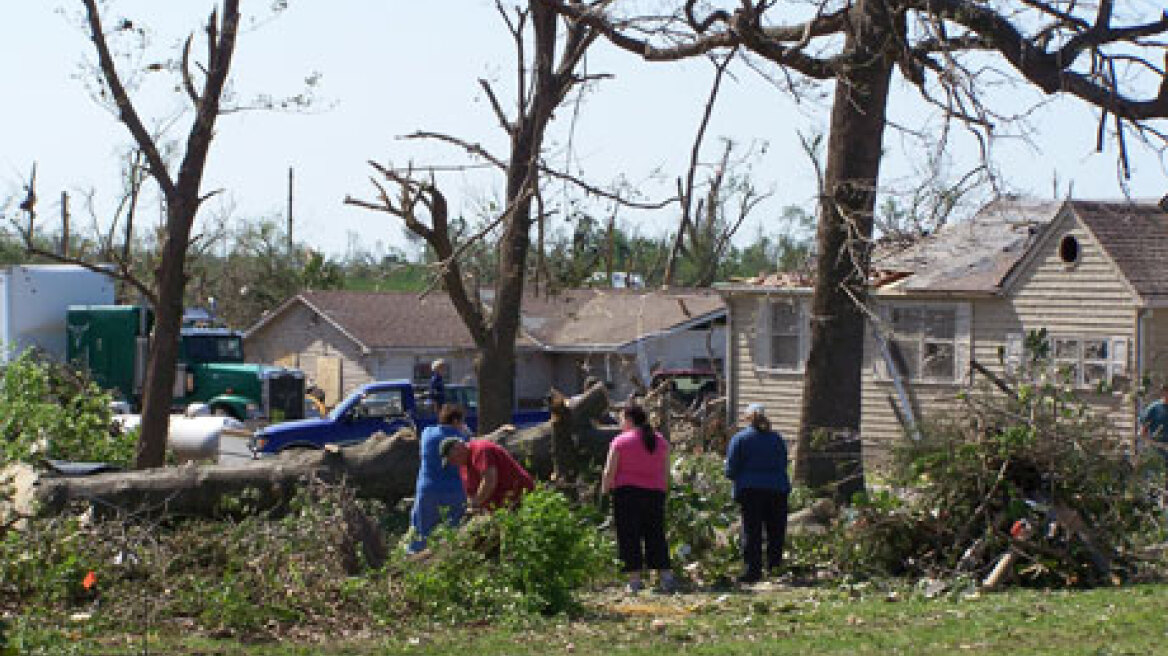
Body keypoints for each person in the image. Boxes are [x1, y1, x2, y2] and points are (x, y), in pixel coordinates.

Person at [601, 405, 676, 594]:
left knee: (629, 535)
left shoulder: (620, 441)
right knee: (656, 534)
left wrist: (604, 490)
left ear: (629, 420)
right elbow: (666, 472)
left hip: (627, 493)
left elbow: (609, 470)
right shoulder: (661, 442)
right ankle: (665, 576)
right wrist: (664, 490)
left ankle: (634, 580)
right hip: (655, 493)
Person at [724, 402, 791, 583]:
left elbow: (731, 468)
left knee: (752, 531)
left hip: (750, 490)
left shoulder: (740, 439)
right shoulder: (777, 439)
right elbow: (784, 462)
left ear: (747, 418)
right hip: (777, 488)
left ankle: (753, 570)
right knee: (775, 530)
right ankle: (774, 567)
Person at [408, 403, 469, 553]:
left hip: (427, 489)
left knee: (420, 532)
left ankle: (411, 563)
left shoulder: (427, 432)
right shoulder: (461, 437)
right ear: (456, 421)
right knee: (452, 532)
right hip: (454, 491)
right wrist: (466, 433)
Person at [439, 437, 535, 511]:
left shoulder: (481, 450)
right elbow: (470, 493)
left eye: (453, 459)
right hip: (501, 508)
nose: (453, 463)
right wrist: (472, 506)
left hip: (520, 498)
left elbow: (489, 481)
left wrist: (476, 503)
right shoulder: (463, 466)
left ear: (459, 447)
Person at [1139, 382, 1168, 462]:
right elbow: (1142, 432)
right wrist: (1153, 444)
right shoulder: (1154, 408)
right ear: (1164, 392)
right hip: (1157, 454)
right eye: (1166, 390)